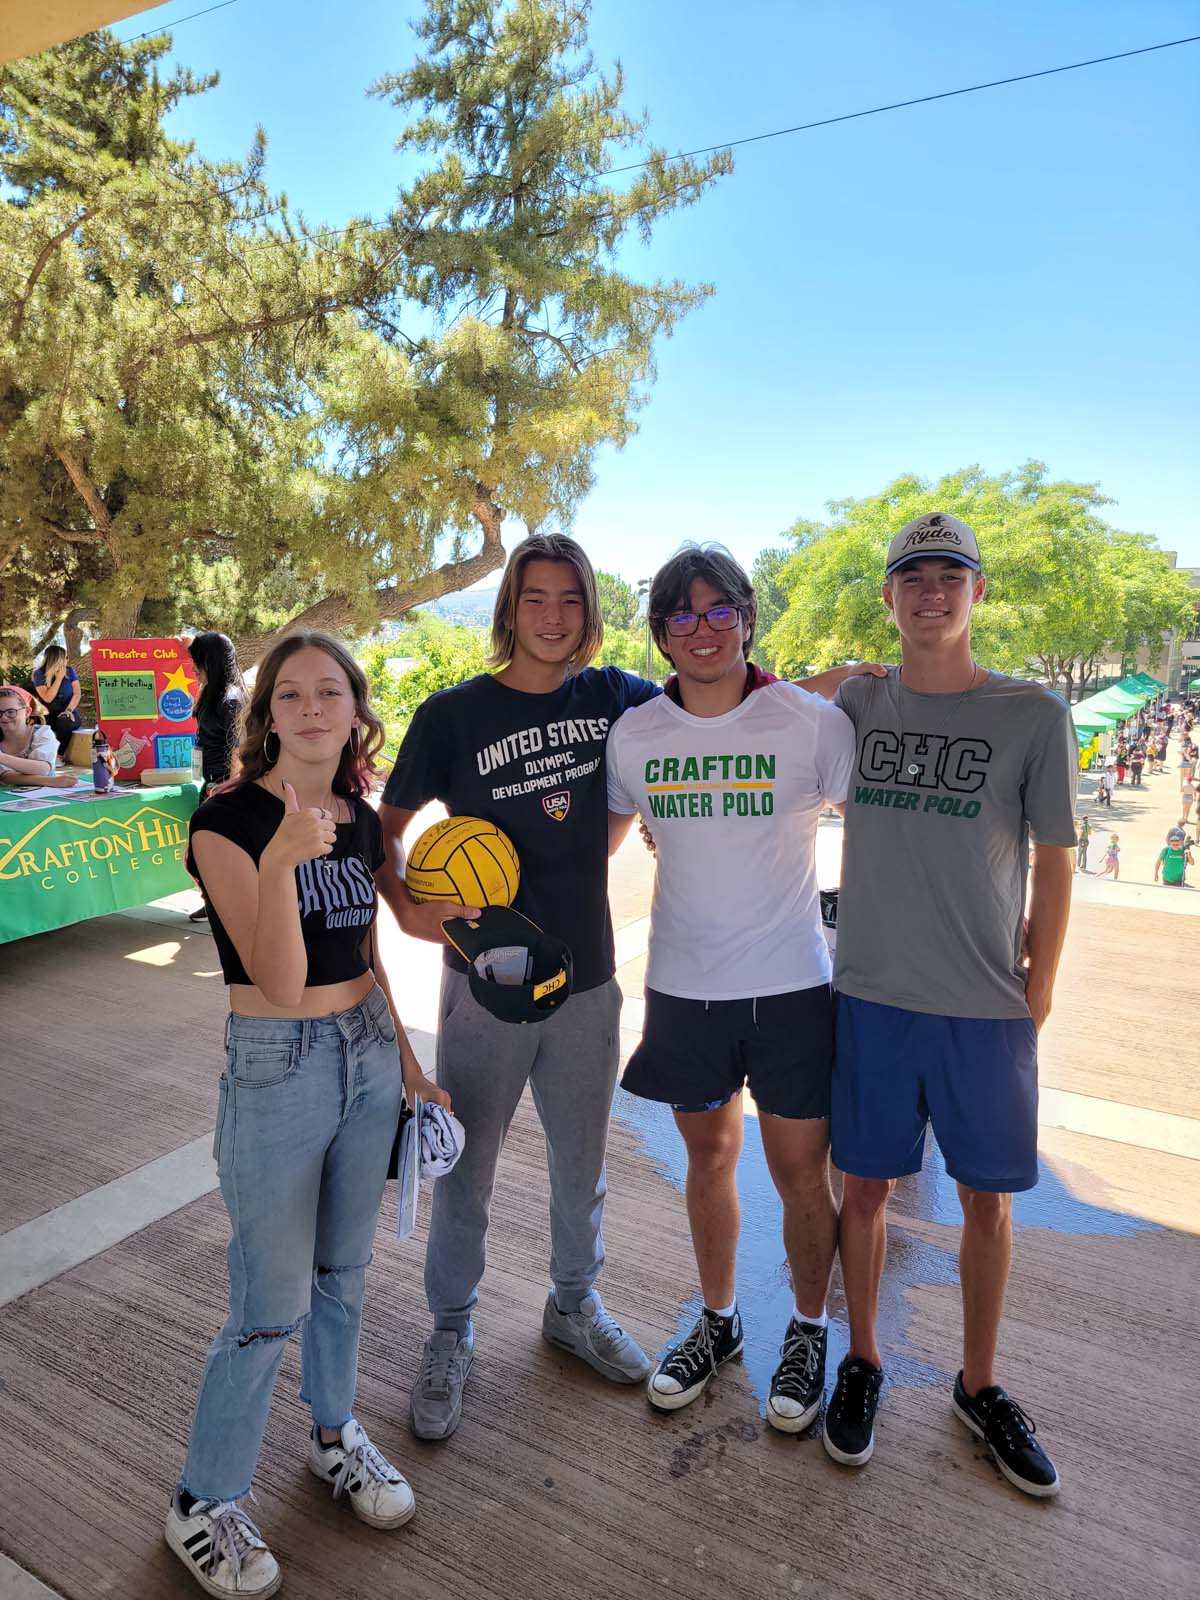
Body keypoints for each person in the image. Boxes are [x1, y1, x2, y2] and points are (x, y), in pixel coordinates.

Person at [167, 632, 447, 1600]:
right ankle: (203, 1500)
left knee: (346, 1275)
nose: (314, 708)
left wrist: (413, 1066)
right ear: (269, 714)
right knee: (267, 1304)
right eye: (293, 694)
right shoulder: (228, 821)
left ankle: (335, 1437)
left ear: (356, 709)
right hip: (278, 1068)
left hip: (367, 1057)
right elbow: (279, 981)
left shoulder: (362, 820)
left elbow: (366, 953)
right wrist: (285, 859)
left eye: (332, 691)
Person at [378, 534, 660, 1442]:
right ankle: (450, 1330)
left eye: (570, 599)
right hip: (485, 982)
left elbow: (715, 706)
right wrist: (417, 916)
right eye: (535, 598)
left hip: (587, 977)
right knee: (469, 1167)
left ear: (589, 610)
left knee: (584, 1164)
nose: (553, 616)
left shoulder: (616, 697)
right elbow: (384, 831)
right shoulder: (453, 714)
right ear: (509, 608)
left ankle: (573, 1306)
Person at [827, 512, 1076, 1499]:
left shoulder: (1032, 713)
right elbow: (763, 709)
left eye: (951, 576)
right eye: (913, 576)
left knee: (988, 1200)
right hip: (873, 994)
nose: (932, 592)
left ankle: (979, 1382)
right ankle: (864, 1357)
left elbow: (1055, 865)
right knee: (866, 1191)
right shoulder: (855, 704)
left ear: (978, 592)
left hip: (984, 1004)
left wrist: (1039, 988)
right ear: (890, 597)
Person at [606, 546, 856, 1430]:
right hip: (683, 989)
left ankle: (809, 1328)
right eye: (683, 615)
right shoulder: (636, 735)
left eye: (720, 612)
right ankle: (718, 1323)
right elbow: (593, 843)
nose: (703, 629)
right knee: (707, 1160)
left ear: (748, 619)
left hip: (791, 988)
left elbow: (887, 832)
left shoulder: (809, 722)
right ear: (662, 634)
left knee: (798, 1175)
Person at [186, 632, 249, 922]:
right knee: (202, 853)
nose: (194, 668)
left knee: (216, 854)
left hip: (225, 786)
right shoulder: (211, 692)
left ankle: (225, 906)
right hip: (210, 782)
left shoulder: (231, 699)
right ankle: (212, 901)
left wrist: (228, 789)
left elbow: (239, 749)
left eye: (197, 662)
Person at [0, 685, 60, 784]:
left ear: (27, 712)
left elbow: (43, 769)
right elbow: (4, 777)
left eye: (11, 712)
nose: (4, 717)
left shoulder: (42, 733)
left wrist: (2, 758)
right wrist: (50, 781)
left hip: (44, 794)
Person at [31, 644, 82, 759]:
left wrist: (69, 710)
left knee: (64, 721)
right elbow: (47, 698)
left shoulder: (70, 671)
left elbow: (77, 694)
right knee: (35, 725)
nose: (67, 660)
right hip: (48, 714)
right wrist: (59, 678)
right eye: (65, 657)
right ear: (57, 659)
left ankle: (59, 756)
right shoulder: (39, 674)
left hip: (68, 712)